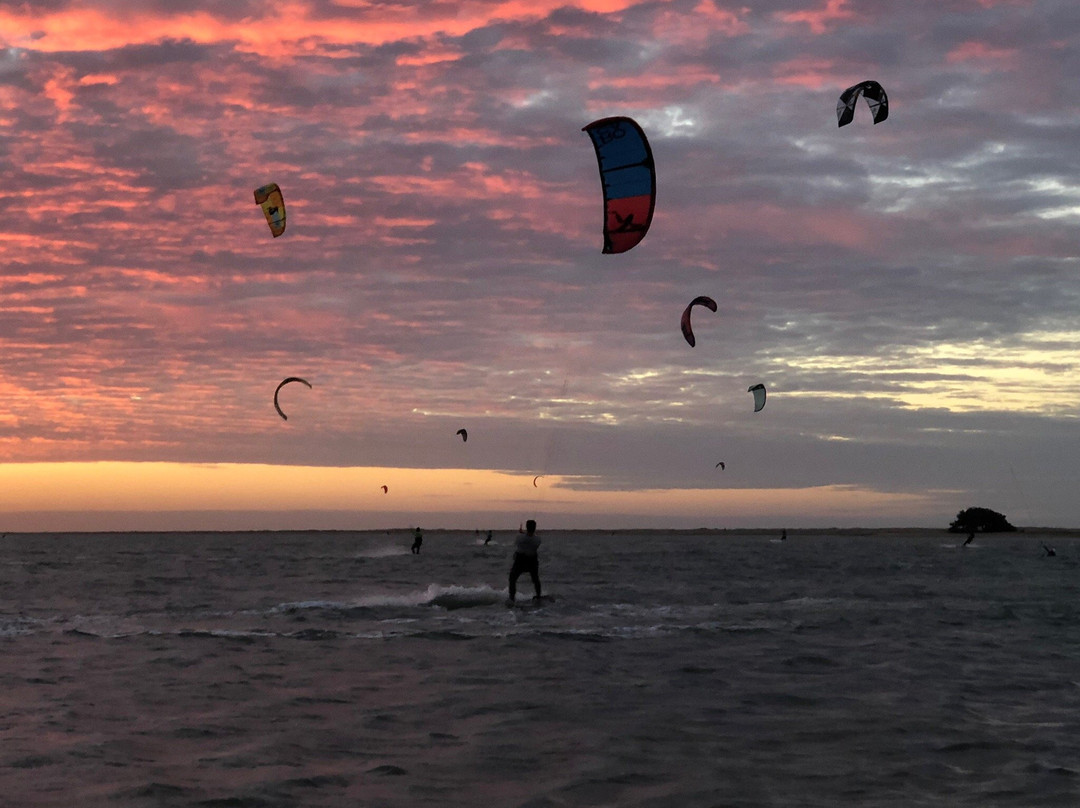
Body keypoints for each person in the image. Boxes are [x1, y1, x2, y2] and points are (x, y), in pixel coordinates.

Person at [508, 519, 541, 602]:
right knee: (535, 579)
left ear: (526, 527)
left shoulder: (519, 537)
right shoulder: (538, 540)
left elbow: (519, 541)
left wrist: (522, 533)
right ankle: (538, 596)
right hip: (532, 561)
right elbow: (531, 538)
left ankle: (512, 598)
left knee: (512, 579)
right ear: (535, 528)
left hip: (520, 560)